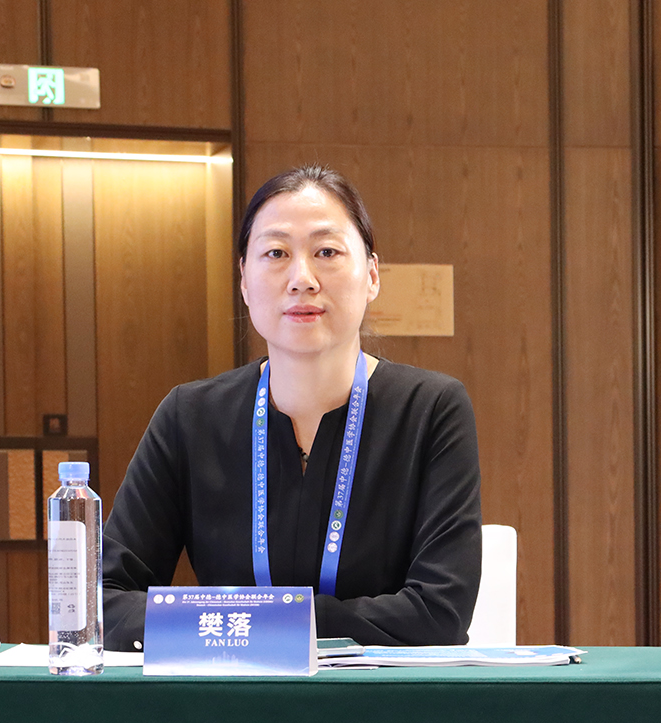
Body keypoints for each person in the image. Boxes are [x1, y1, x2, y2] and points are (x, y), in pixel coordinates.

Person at [102, 165, 482, 650]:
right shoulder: (189, 416)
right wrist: (272, 624)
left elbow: (440, 613)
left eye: (327, 252)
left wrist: (245, 623)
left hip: (378, 695)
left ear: (371, 275)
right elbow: (106, 600)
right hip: (228, 692)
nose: (302, 279)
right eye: (276, 253)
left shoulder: (431, 411)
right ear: (244, 279)